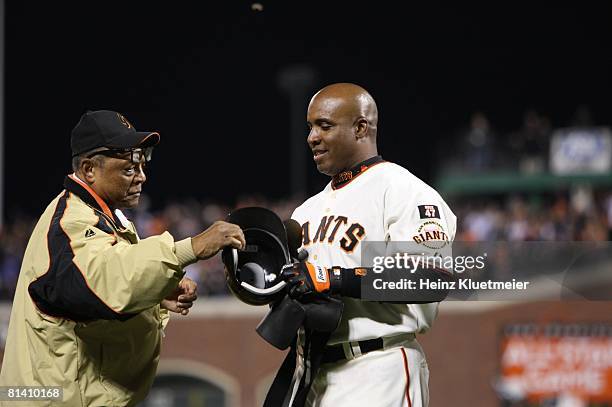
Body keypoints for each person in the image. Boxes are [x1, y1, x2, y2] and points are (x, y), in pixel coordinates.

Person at [0, 110, 245, 406]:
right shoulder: (69, 222)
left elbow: (90, 299)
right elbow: (104, 282)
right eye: (129, 168)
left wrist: (155, 295)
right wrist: (189, 248)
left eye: (142, 162)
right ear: (90, 170)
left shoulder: (102, 215)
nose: (142, 175)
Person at [268, 83, 457, 406]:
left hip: (378, 365)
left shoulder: (403, 190)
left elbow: (430, 277)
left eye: (324, 125)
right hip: (314, 374)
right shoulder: (307, 210)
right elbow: (304, 295)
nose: (312, 137)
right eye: (311, 126)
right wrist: (265, 281)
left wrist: (333, 278)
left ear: (360, 127)